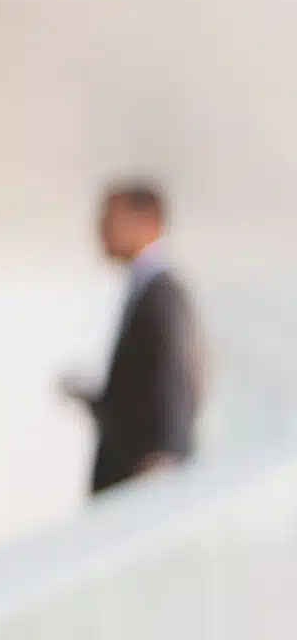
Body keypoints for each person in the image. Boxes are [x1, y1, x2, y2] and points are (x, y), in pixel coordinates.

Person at [64, 180, 203, 493]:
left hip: (144, 474)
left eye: (109, 220)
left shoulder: (164, 295)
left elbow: (177, 376)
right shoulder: (141, 291)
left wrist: (167, 453)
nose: (100, 232)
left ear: (146, 223)